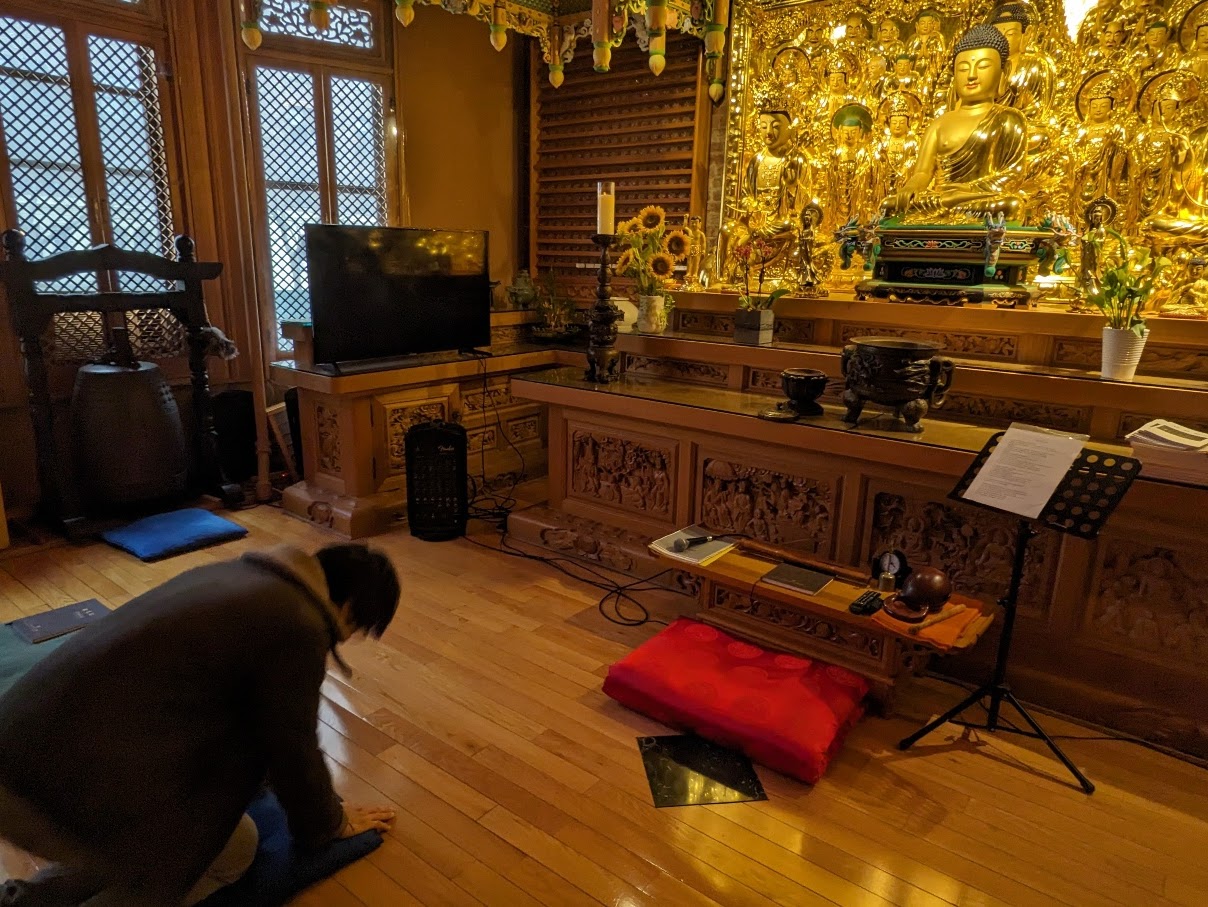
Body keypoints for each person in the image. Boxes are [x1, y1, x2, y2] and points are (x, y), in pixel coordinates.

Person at [0, 543, 401, 906]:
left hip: (22, 743)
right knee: (219, 852)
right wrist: (331, 823)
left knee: (225, 838)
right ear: (348, 609)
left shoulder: (240, 577)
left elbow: (237, 709)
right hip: (75, 784)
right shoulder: (297, 623)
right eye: (357, 630)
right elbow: (292, 748)